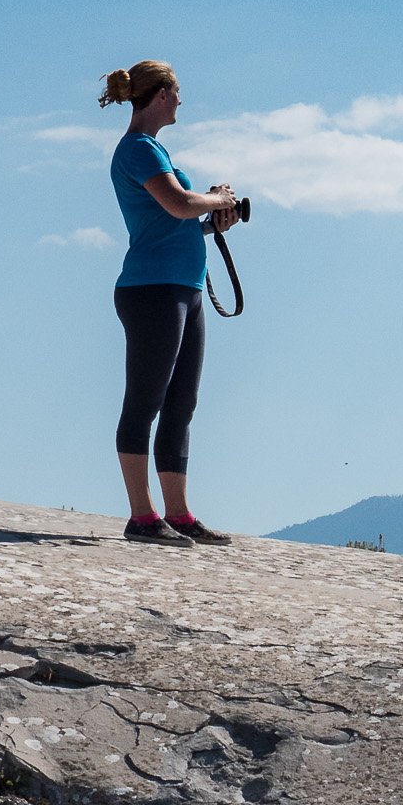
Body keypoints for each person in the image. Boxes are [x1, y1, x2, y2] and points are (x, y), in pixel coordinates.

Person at [97, 59, 241, 546]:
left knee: (181, 403)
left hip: (183, 288)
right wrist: (218, 199)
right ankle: (142, 518)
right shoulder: (138, 150)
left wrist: (211, 223)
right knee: (145, 402)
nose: (181, 100)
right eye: (178, 92)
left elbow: (174, 220)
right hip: (152, 290)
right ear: (160, 95)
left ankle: (177, 515)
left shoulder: (154, 149)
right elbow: (180, 204)